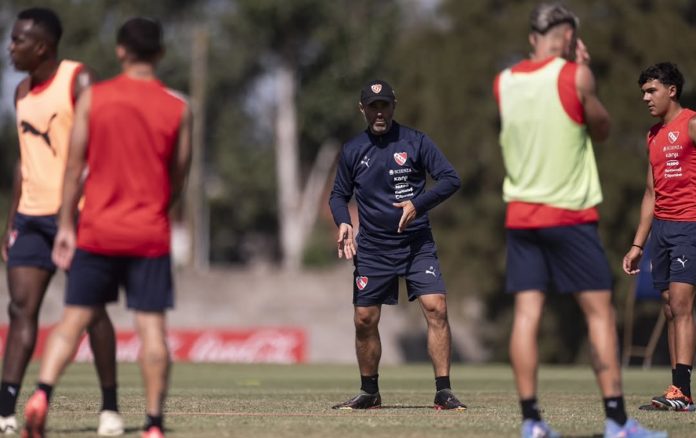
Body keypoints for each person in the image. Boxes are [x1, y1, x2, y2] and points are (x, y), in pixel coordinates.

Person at [493, 3, 666, 438]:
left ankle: (531, 421)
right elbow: (601, 129)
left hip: (521, 216)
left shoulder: (504, 82)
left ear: (533, 36)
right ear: (570, 38)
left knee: (526, 314)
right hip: (569, 214)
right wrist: (584, 73)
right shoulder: (574, 75)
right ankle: (617, 422)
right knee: (599, 315)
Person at [21, 16, 192, 438]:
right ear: (160, 54)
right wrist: (156, 209)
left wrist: (65, 224)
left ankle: (41, 394)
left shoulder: (95, 98)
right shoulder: (179, 107)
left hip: (97, 228)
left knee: (72, 321)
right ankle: (153, 424)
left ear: (120, 51)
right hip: (148, 233)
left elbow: (74, 165)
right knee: (152, 329)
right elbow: (179, 176)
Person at [1, 8, 123, 436]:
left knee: (90, 312)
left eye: (17, 41)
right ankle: (6, 410)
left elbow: (106, 142)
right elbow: (23, 161)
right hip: (30, 219)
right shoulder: (20, 91)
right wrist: (10, 221)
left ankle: (110, 407)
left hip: (80, 216)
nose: (10, 48)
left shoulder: (79, 79)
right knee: (20, 309)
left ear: (43, 47)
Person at [328, 79, 465, 410]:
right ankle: (369, 391)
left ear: (394, 106)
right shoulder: (352, 150)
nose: (379, 112)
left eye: (384, 105)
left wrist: (418, 204)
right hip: (373, 248)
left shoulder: (415, 141)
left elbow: (450, 179)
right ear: (362, 109)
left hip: (417, 244)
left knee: (437, 307)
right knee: (364, 318)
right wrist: (344, 222)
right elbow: (338, 195)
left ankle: (443, 390)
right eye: (373, 106)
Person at [623, 62, 696, 412]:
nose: (645, 98)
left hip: (689, 226)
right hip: (662, 232)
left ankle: (682, 390)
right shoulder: (652, 135)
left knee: (682, 304)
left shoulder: (692, 124)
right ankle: (677, 389)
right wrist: (638, 244)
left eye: (651, 90)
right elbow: (650, 193)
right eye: (643, 92)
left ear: (672, 90)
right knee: (669, 308)